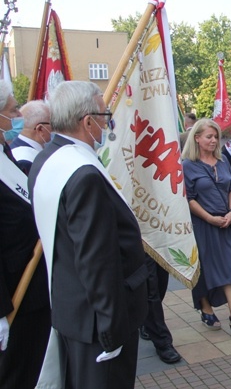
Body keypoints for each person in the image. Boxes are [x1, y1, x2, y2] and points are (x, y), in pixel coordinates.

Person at [28, 81, 147, 389]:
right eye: (104, 114)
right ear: (87, 122)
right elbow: (98, 261)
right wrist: (111, 332)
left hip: (71, 308)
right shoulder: (83, 175)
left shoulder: (47, 158)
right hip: (98, 322)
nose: (108, 122)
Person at [0, 81, 50, 389]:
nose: (19, 115)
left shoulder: (6, 152)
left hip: (32, 290)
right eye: (13, 110)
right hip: (13, 301)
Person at [182, 118, 231, 336]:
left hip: (225, 224)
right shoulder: (187, 166)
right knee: (203, 269)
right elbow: (189, 198)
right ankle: (206, 307)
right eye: (209, 137)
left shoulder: (222, 161)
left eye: (216, 137)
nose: (213, 141)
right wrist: (209, 218)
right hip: (201, 225)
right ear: (197, 139)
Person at [138, 254, 182, 364]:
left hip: (158, 241)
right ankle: (163, 342)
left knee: (161, 280)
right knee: (150, 287)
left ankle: (146, 318)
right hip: (141, 241)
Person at [10, 100, 52, 174]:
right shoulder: (25, 161)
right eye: (52, 123)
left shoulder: (12, 146)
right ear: (40, 129)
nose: (55, 129)